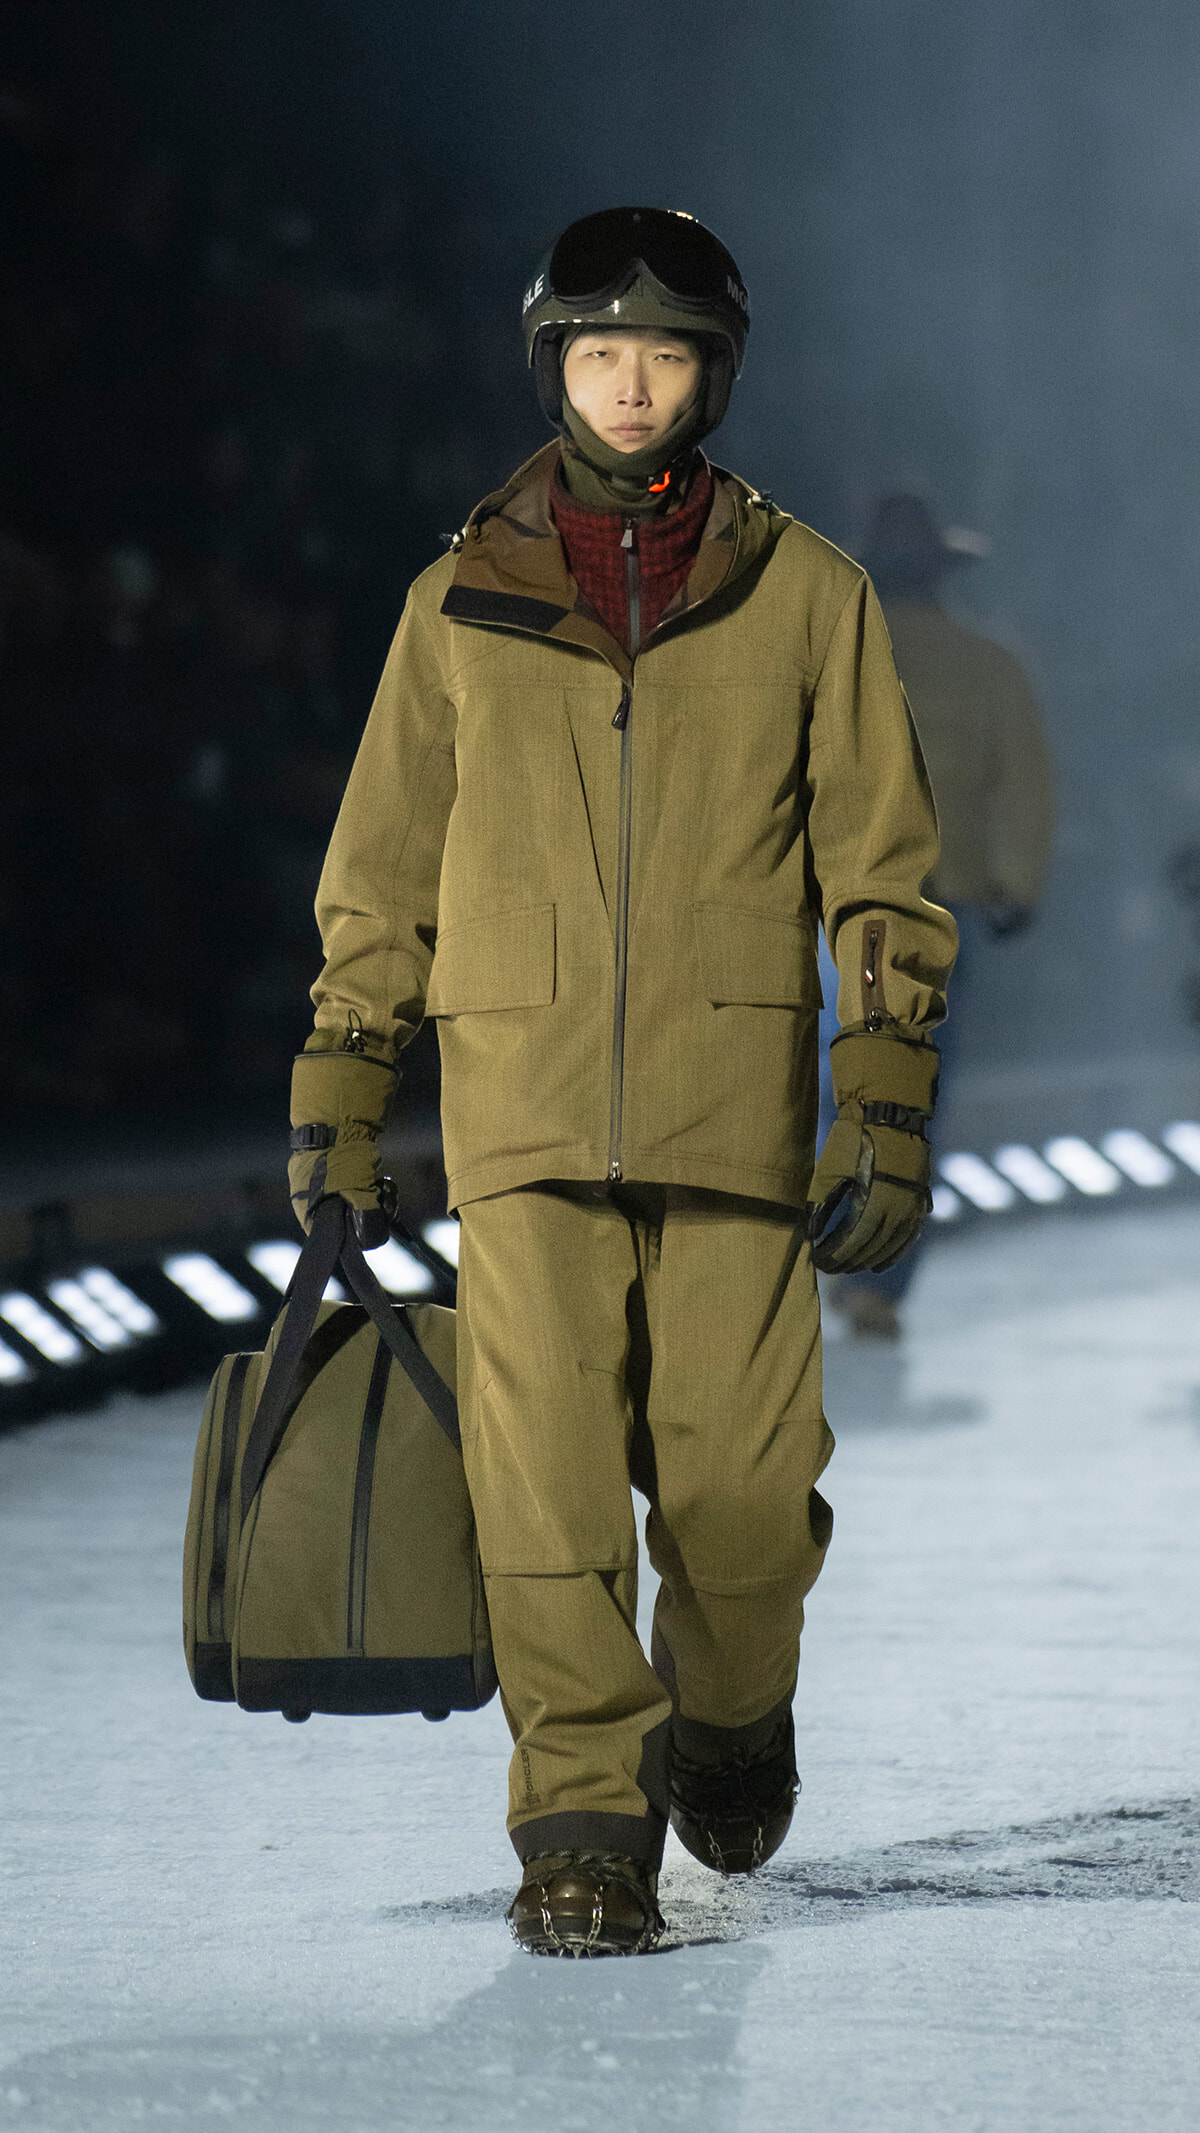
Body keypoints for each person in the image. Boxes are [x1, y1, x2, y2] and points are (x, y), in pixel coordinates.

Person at [287, 208, 957, 1955]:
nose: (633, 383)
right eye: (600, 353)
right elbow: (383, 868)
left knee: (741, 1500)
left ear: (712, 373)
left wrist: (884, 1093)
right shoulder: (457, 605)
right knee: (547, 1497)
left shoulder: (810, 595)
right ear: (553, 364)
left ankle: (732, 1711)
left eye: (665, 355)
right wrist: (345, 1088)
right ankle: (582, 1823)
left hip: (734, 1116)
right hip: (515, 1112)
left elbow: (883, 863)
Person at [827, 493, 1054, 1340]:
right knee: (910, 1094)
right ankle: (875, 1279)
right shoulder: (991, 664)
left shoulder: (828, 659)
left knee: (827, 1084)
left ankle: (826, 1245)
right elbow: (1026, 785)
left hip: (834, 912)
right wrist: (1016, 886)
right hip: (935, 912)